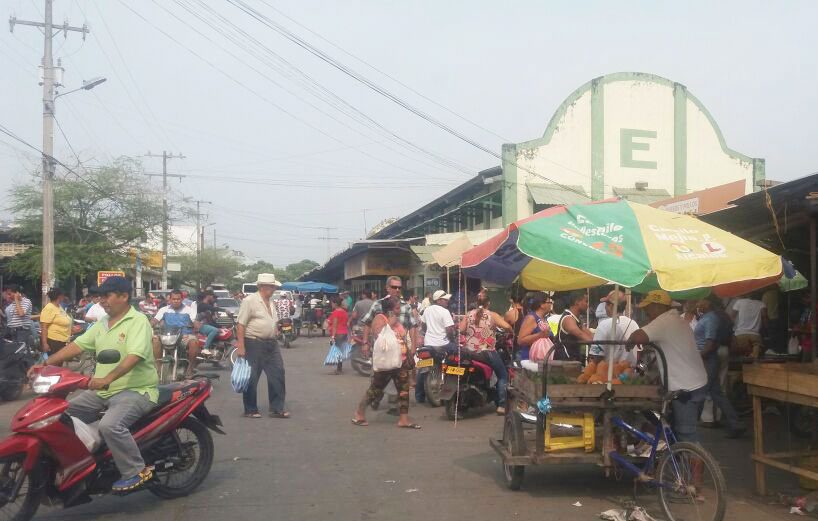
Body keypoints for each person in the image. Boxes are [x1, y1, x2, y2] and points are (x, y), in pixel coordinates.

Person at [30, 276, 158, 492]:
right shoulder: (102, 324)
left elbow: (134, 356)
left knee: (111, 426)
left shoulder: (138, 321)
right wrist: (45, 363)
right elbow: (78, 346)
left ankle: (136, 470)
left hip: (136, 390)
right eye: (100, 297)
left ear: (124, 296)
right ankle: (81, 463)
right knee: (58, 416)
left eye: (106, 296)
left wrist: (107, 378)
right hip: (103, 391)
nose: (102, 301)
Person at [628, 290, 708, 443]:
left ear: (657, 306)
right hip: (696, 383)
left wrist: (629, 342)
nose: (645, 312)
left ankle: (697, 464)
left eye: (647, 308)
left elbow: (638, 336)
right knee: (677, 431)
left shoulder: (664, 321)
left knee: (687, 435)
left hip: (686, 387)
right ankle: (680, 461)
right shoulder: (675, 319)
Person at [352, 297, 421, 429]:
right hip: (386, 363)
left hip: (400, 361)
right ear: (389, 309)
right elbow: (378, 335)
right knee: (375, 389)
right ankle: (359, 414)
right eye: (396, 308)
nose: (399, 310)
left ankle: (403, 419)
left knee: (404, 390)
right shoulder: (380, 318)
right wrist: (390, 323)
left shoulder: (396, 320)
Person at [361, 277, 419, 414]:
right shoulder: (378, 305)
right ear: (387, 288)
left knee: (399, 379)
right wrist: (364, 343)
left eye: (399, 287)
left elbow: (413, 327)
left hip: (399, 351)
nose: (397, 290)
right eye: (394, 287)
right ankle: (371, 401)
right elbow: (368, 323)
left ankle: (394, 406)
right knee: (378, 379)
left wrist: (414, 346)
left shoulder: (406, 306)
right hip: (382, 351)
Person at [235, 274, 289, 419]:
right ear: (261, 286)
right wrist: (240, 345)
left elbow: (273, 321)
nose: (273, 289)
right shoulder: (250, 301)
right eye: (271, 286)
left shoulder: (271, 302)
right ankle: (250, 409)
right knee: (252, 377)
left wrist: (275, 329)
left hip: (271, 343)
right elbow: (241, 324)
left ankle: (277, 408)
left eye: (274, 286)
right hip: (253, 342)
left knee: (278, 373)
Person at [694, 296, 745, 438]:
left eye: (700, 301)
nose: (698, 304)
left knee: (700, 391)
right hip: (711, 356)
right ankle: (735, 423)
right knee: (716, 392)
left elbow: (710, 342)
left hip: (708, 358)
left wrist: (698, 357)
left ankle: (688, 425)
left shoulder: (711, 318)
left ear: (708, 302)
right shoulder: (716, 316)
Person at [459, 295, 512, 414]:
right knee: (503, 375)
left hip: (469, 351)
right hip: (487, 352)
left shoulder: (469, 314)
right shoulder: (492, 315)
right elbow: (507, 326)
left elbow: (461, 329)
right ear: (488, 303)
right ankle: (502, 405)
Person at [416, 290, 456, 403]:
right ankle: (454, 386)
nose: (447, 301)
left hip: (428, 344)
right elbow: (449, 330)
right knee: (457, 356)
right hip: (442, 344)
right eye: (445, 299)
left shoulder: (427, 310)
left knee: (422, 367)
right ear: (438, 300)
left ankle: (419, 396)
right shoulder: (444, 311)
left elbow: (423, 326)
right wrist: (453, 339)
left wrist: (429, 333)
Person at [151, 290, 199, 378]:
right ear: (170, 299)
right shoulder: (163, 309)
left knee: (194, 342)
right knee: (155, 340)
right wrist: (149, 325)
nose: (176, 301)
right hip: (167, 336)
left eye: (178, 299)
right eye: (173, 299)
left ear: (182, 299)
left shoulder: (189, 310)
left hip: (184, 336)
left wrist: (196, 323)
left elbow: (194, 320)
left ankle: (190, 368)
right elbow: (155, 320)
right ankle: (158, 366)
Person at [589, 290, 639, 365]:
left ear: (612, 306)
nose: (605, 307)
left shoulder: (604, 325)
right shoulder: (634, 324)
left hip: (607, 374)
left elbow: (596, 358)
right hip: (629, 374)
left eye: (606, 304)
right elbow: (638, 353)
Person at [555, 290, 594, 361]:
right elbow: (581, 334)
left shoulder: (576, 319)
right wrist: (597, 346)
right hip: (564, 362)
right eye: (586, 301)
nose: (588, 304)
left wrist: (598, 342)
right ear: (577, 302)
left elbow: (588, 334)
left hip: (572, 360)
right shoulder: (568, 319)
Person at [516, 293, 554, 361]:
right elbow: (520, 340)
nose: (551, 304)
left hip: (542, 360)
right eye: (549, 302)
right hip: (530, 359)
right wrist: (539, 335)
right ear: (542, 305)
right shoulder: (531, 318)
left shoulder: (544, 319)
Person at [729, 292, 768, 358]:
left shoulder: (739, 302)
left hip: (740, 334)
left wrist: (730, 330)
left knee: (742, 358)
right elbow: (765, 317)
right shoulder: (761, 304)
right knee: (755, 359)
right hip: (755, 335)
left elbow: (732, 317)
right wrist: (766, 330)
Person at [40, 287, 72, 358]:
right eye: (63, 295)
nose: (64, 297)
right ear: (60, 296)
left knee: (58, 365)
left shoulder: (59, 306)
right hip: (53, 342)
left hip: (62, 341)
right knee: (54, 365)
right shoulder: (49, 308)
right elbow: (44, 327)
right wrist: (44, 343)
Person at [327, 297, 349, 374]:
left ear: (335, 304)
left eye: (332, 303)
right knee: (341, 351)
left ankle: (339, 370)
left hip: (338, 333)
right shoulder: (344, 312)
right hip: (345, 333)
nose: (331, 304)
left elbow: (335, 325)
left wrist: (333, 336)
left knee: (338, 351)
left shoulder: (336, 312)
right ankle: (339, 368)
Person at [195, 291, 221, 355]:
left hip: (205, 325)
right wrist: (225, 310)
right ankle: (205, 348)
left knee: (220, 330)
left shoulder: (208, 306)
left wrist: (220, 326)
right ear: (208, 296)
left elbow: (210, 321)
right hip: (200, 326)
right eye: (212, 296)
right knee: (215, 330)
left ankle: (214, 349)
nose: (213, 298)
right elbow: (213, 309)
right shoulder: (202, 305)